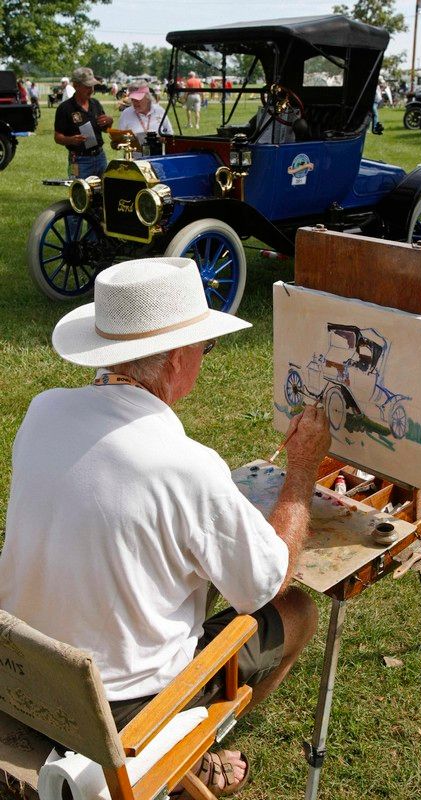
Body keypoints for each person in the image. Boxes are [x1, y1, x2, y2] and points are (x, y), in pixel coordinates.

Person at [0, 256, 330, 795]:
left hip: (23, 676)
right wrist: (302, 472)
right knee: (297, 612)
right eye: (205, 347)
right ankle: (193, 747)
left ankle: (194, 747)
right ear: (178, 359)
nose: (205, 358)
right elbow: (267, 582)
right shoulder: (186, 467)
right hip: (119, 719)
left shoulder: (42, 413)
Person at [54, 66, 113, 179]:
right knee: (80, 194)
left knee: (103, 192)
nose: (91, 90)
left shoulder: (95, 104)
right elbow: (57, 137)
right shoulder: (65, 108)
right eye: (87, 86)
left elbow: (105, 129)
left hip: (100, 157)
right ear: (76, 85)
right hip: (78, 161)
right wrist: (71, 140)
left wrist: (109, 121)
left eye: (92, 86)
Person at [117, 80, 173, 148]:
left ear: (148, 98)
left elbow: (170, 133)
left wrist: (164, 139)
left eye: (138, 100)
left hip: (158, 155)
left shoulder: (160, 111)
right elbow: (119, 139)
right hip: (135, 157)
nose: (135, 103)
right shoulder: (126, 113)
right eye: (133, 100)